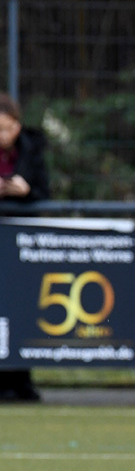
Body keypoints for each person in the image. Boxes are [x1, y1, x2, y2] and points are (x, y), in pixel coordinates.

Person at [0, 93, 52, 402]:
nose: (3, 136)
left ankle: (21, 381)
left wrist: (26, 190)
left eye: (7, 129)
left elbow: (46, 191)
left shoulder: (31, 151)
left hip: (22, 244)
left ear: (18, 126)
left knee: (22, 309)